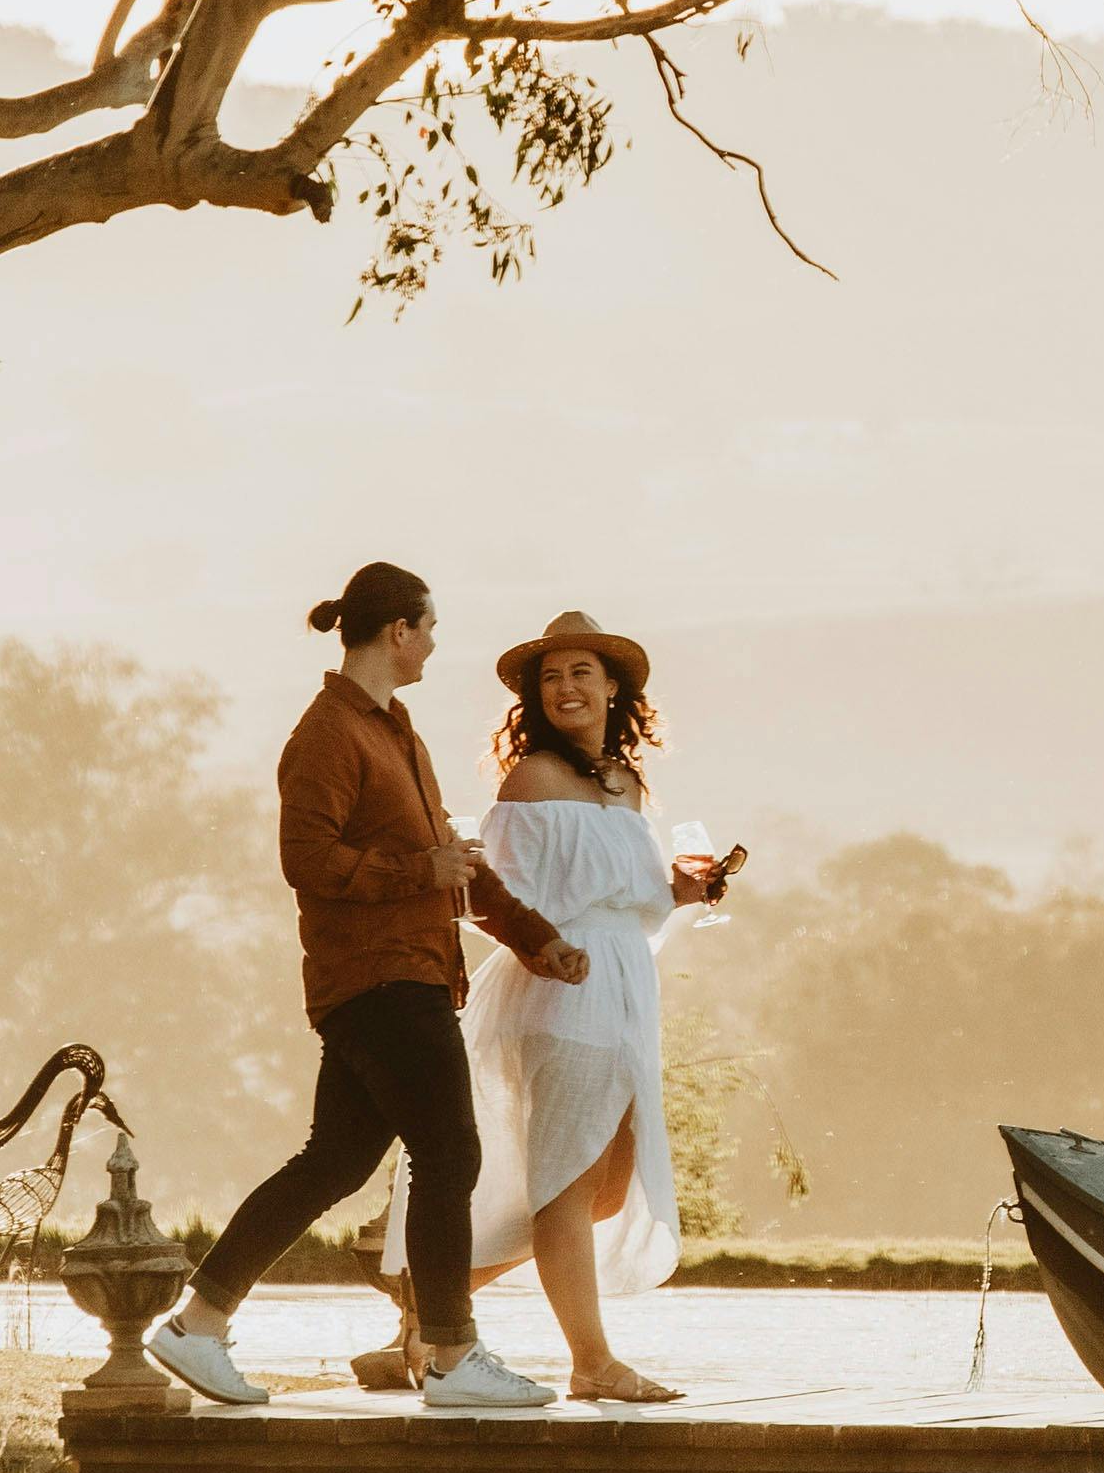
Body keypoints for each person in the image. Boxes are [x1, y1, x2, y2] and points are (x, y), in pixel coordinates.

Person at [145, 562, 584, 1415]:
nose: (434, 642)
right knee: (449, 1151)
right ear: (399, 631)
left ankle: (196, 1325)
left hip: (406, 971)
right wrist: (417, 868)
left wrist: (536, 938)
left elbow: (451, 863)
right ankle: (453, 1355)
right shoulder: (326, 736)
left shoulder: (396, 733)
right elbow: (305, 862)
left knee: (335, 1161)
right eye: (430, 626)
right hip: (378, 977)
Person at [365, 612, 737, 1403]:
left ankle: (427, 1309)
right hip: (563, 993)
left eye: (580, 672)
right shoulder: (529, 779)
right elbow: (493, 898)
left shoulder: (626, 784)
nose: (565, 687)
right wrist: (549, 949)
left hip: (624, 991)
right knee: (567, 1185)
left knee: (603, 1187)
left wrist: (679, 890)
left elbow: (625, 901)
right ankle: (592, 1361)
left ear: (613, 686)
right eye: (550, 676)